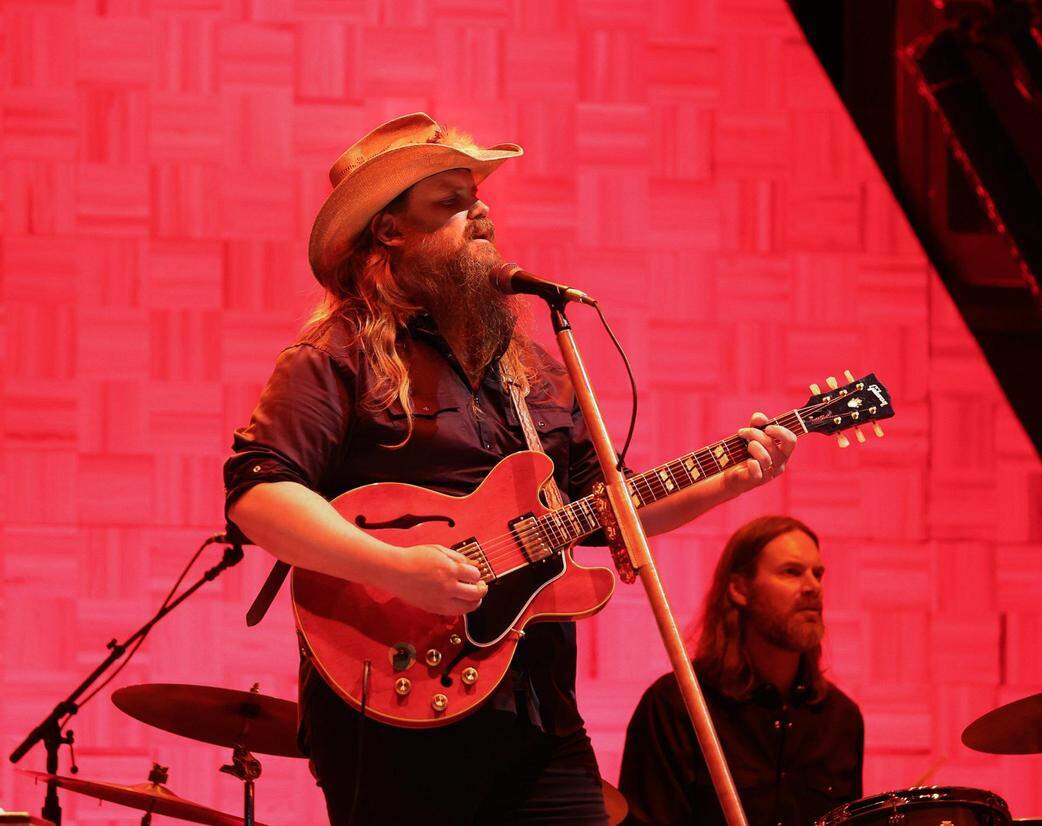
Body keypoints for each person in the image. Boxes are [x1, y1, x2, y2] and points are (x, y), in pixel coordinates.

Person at [223, 112, 799, 825]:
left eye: (478, 193)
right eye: (450, 200)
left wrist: (730, 480)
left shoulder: (536, 374)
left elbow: (607, 509)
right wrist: (398, 570)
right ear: (390, 231)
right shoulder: (335, 355)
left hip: (537, 711)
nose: (481, 208)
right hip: (392, 706)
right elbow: (258, 496)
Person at [619, 516, 863, 826]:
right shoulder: (675, 706)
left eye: (818, 574)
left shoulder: (842, 720)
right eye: (791, 572)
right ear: (739, 589)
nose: (813, 587)